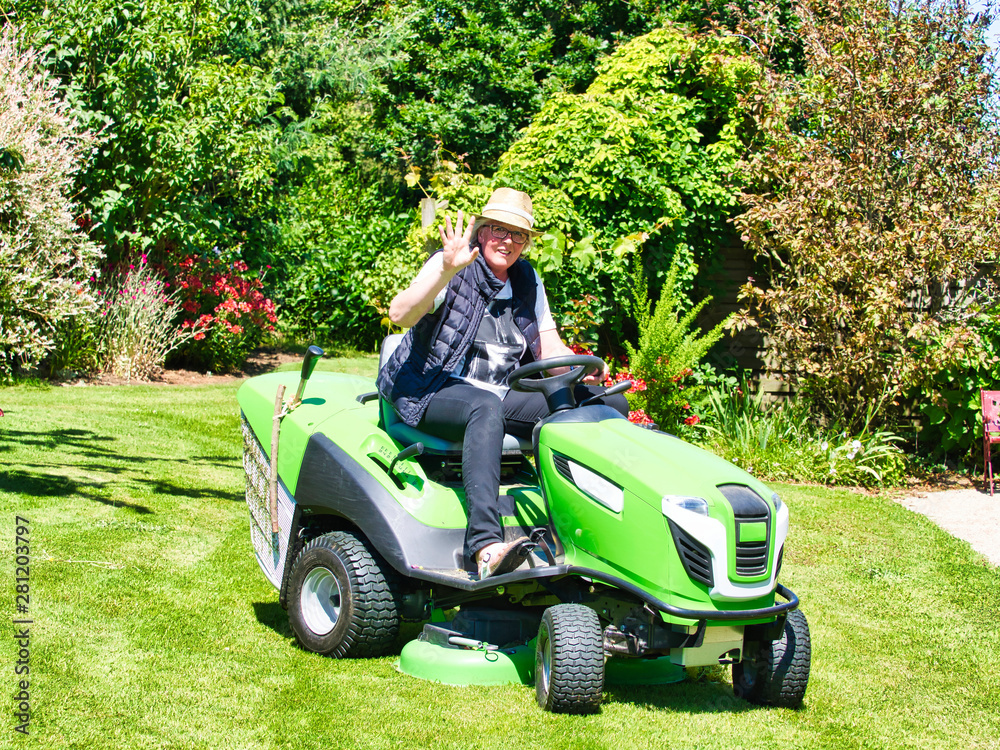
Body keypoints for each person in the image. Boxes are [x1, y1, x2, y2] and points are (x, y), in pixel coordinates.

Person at [377, 188, 628, 579]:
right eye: (498, 229)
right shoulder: (450, 266)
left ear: (526, 242)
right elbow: (400, 314)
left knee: (604, 406)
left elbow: (549, 350)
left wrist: (583, 373)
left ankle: (601, 527)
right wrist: (445, 269)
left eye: (518, 234)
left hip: (501, 392)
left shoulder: (527, 280)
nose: (507, 241)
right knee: (484, 405)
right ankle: (485, 546)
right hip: (430, 389)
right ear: (481, 231)